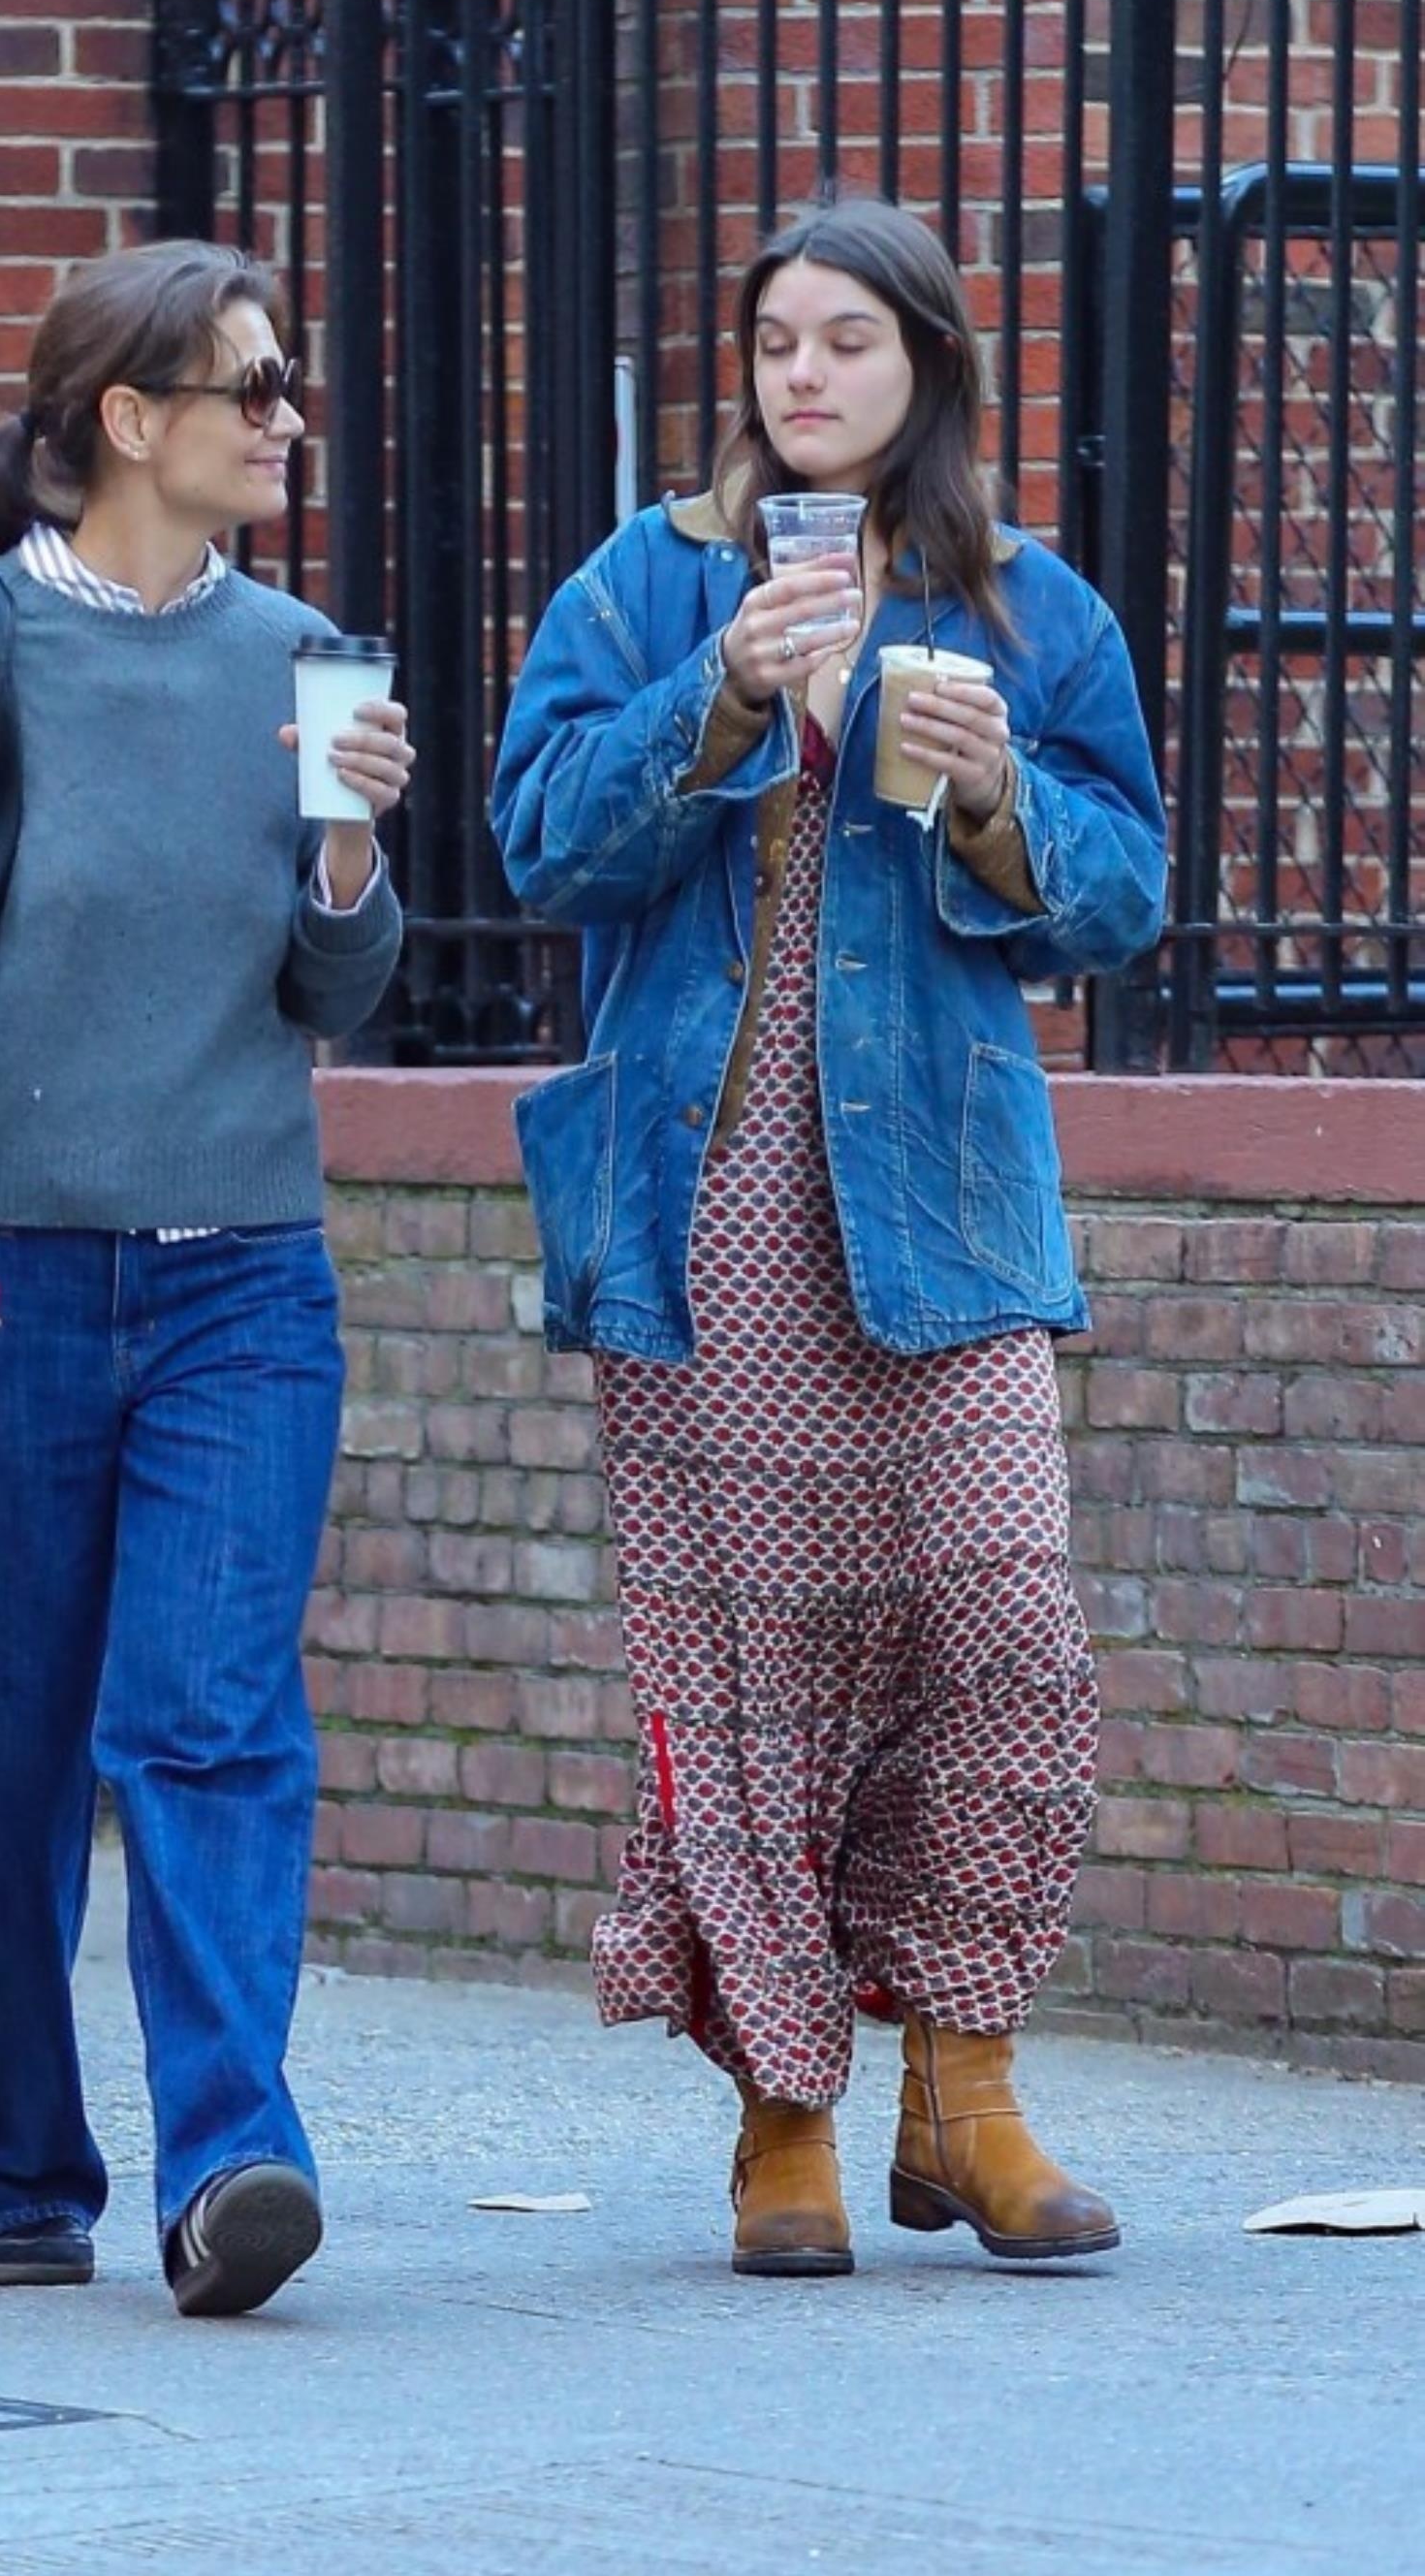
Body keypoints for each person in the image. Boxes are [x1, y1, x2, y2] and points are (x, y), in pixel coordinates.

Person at [490, 195, 1165, 2278]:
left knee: (1006, 1619)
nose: (805, 375)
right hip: (710, 1205)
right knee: (757, 1652)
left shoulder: (1026, 603)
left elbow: (1121, 895)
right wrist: (713, 699)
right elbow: (536, 839)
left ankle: (970, 2085)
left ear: (929, 369)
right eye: (778, 340)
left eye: (848, 341)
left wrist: (992, 802)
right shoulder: (651, 576)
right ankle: (785, 2109)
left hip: (941, 1198)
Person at [0, 240, 410, 2317]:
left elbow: (336, 983)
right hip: (1, 1259)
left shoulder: (310, 651)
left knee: (209, 1719)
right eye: (247, 388)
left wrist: (347, 849)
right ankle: (7, 2167)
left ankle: (233, 2155)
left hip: (243, 1271)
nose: (284, 420)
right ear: (128, 424)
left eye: (289, 384)